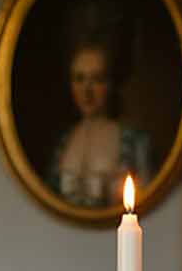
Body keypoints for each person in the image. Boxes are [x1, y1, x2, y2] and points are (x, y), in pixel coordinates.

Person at [51, 34, 154, 209]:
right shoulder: (64, 140)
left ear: (112, 83)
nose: (87, 90)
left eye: (97, 79)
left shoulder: (134, 140)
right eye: (79, 78)